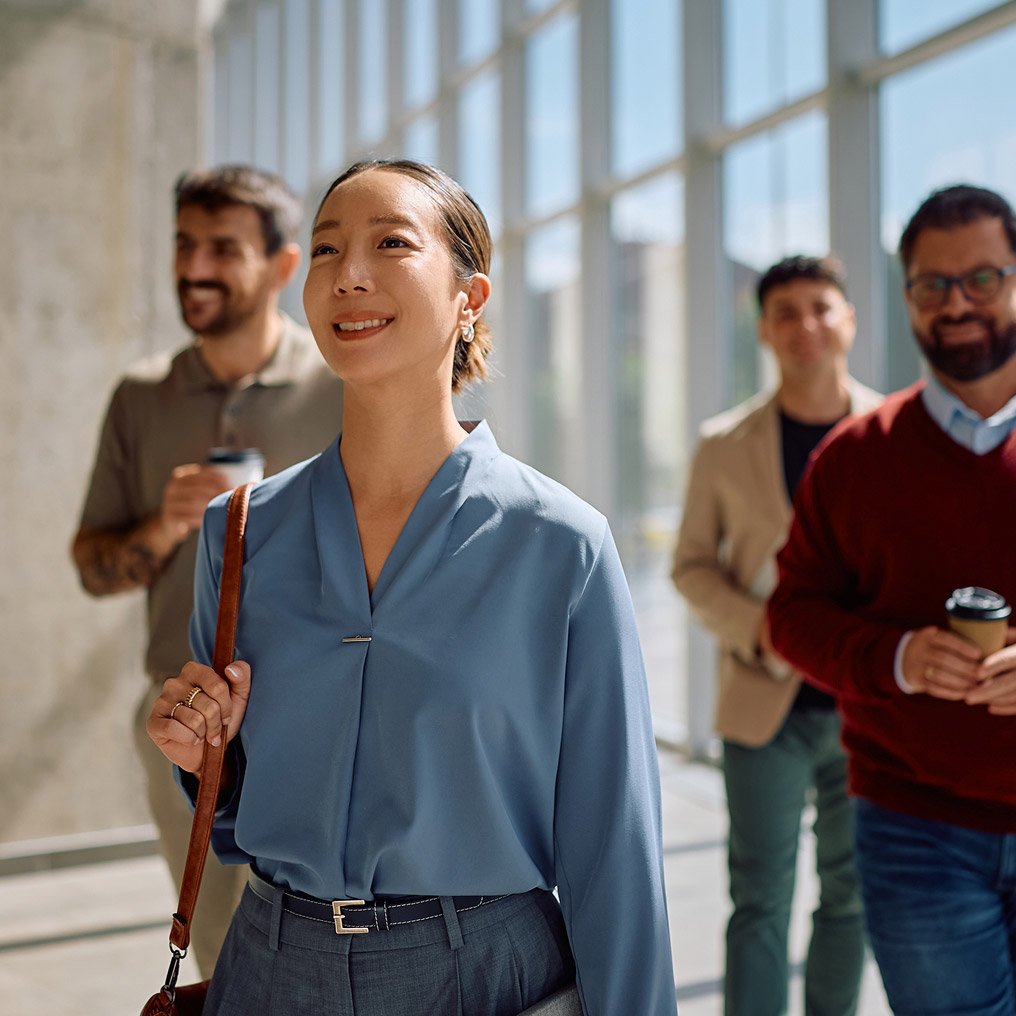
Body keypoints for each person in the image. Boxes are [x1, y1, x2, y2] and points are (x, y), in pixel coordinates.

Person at [145, 159, 677, 1016]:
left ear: (471, 297)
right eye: (325, 249)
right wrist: (204, 761)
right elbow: (237, 822)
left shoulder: (560, 545)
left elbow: (612, 845)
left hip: (483, 976)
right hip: (271, 968)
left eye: (390, 243)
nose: (348, 273)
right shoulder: (238, 533)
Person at [72, 164, 344, 977]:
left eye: (223, 248)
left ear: (283, 267)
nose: (194, 267)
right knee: (224, 956)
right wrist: (168, 521)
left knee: (319, 947)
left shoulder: (341, 389)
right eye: (185, 245)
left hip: (320, 715)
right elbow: (94, 567)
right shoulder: (140, 397)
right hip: (181, 720)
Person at [768, 184, 1016, 1016]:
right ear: (905, 295)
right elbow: (792, 614)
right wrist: (898, 659)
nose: (958, 305)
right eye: (933, 285)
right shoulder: (850, 459)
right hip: (915, 828)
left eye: (983, 279)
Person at [672, 255, 879, 1016]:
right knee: (760, 898)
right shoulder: (724, 444)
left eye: (821, 307)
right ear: (763, 329)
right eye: (785, 312)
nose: (805, 326)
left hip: (867, 709)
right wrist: (767, 632)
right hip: (765, 704)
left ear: (849, 319)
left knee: (849, 896)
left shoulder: (893, 435)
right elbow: (691, 566)